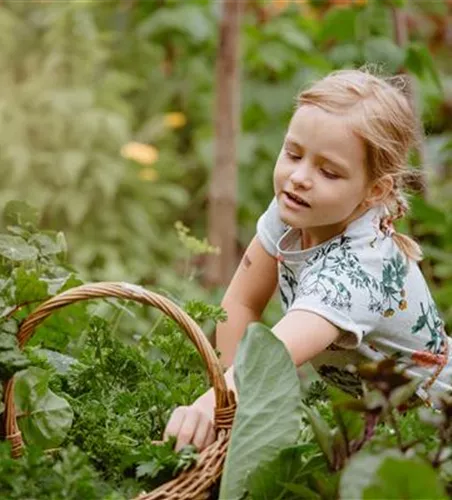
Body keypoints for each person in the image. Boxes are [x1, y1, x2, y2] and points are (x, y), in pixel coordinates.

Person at [164, 68, 452, 453]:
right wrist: (228, 408)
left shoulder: (358, 271)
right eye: (293, 154)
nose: (299, 178)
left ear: (374, 190)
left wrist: (211, 407)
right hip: (383, 427)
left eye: (328, 171)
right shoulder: (295, 211)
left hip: (436, 426)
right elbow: (242, 302)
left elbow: (275, 355)